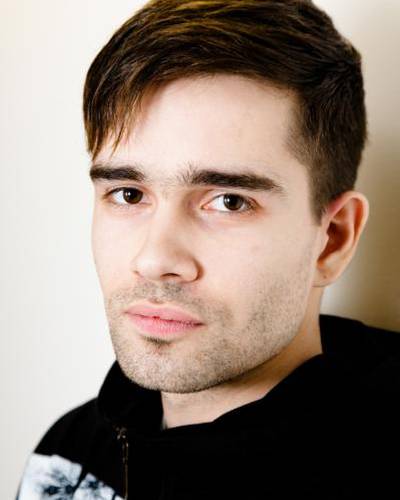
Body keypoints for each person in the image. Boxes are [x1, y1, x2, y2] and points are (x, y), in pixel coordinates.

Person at [15, 0, 400, 498]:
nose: (154, 259)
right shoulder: (68, 456)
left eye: (229, 201)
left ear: (333, 240)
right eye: (128, 194)